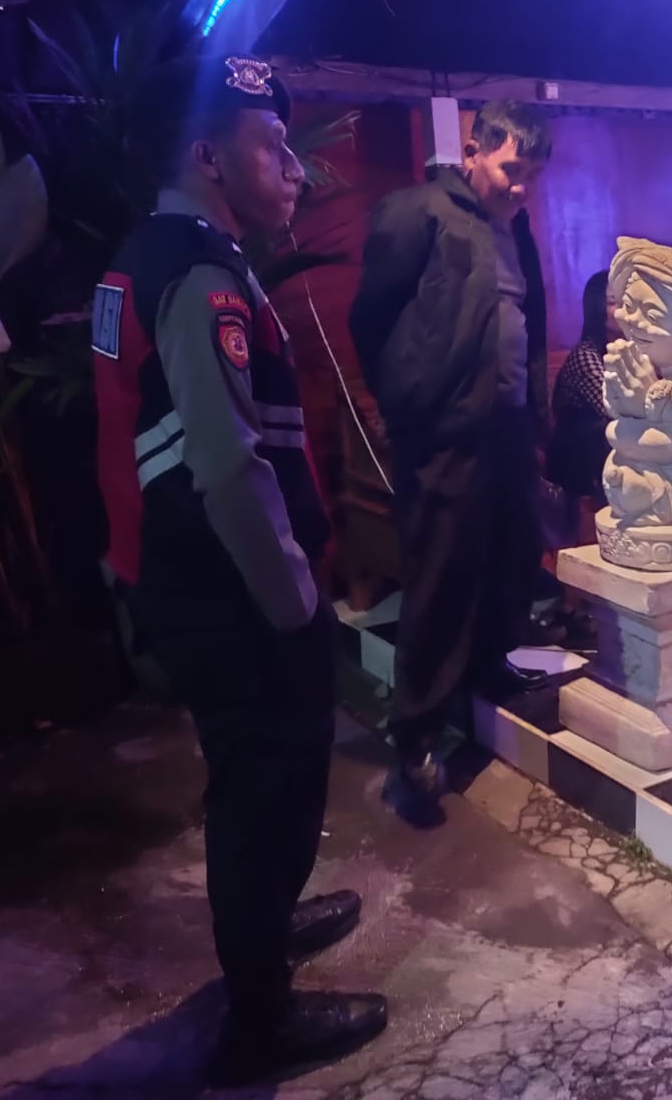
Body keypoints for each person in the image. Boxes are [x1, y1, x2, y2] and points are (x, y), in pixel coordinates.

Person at [92, 55, 386, 1084]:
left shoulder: (149, 254)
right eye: (272, 146)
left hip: (183, 584)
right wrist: (295, 602)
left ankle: (264, 923)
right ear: (209, 157)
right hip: (233, 595)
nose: (296, 168)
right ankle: (261, 1019)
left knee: (248, 782)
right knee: (268, 789)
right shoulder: (201, 274)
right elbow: (225, 465)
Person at [349, 99, 554, 823]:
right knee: (438, 575)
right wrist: (405, 400)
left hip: (507, 425)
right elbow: (370, 317)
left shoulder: (515, 231)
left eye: (532, 175)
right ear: (473, 152)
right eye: (511, 169)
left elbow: (528, 323)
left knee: (512, 552)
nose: (521, 187)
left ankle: (487, 668)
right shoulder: (418, 213)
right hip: (443, 429)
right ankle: (414, 737)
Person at [546, 270, 615, 506]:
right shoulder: (586, 356)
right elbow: (615, 408)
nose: (627, 309)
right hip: (576, 459)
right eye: (614, 302)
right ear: (597, 310)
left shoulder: (628, 351)